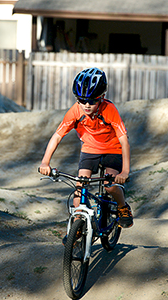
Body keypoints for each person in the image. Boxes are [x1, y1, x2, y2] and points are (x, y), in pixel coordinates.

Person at [38, 67, 133, 233]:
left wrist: (124, 171)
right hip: (90, 149)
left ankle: (122, 207)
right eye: (82, 100)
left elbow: (124, 140)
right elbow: (57, 136)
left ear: (102, 98)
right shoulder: (75, 111)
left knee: (109, 185)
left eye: (92, 101)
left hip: (113, 148)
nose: (87, 105)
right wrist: (45, 162)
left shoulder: (109, 110)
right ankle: (77, 228)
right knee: (80, 187)